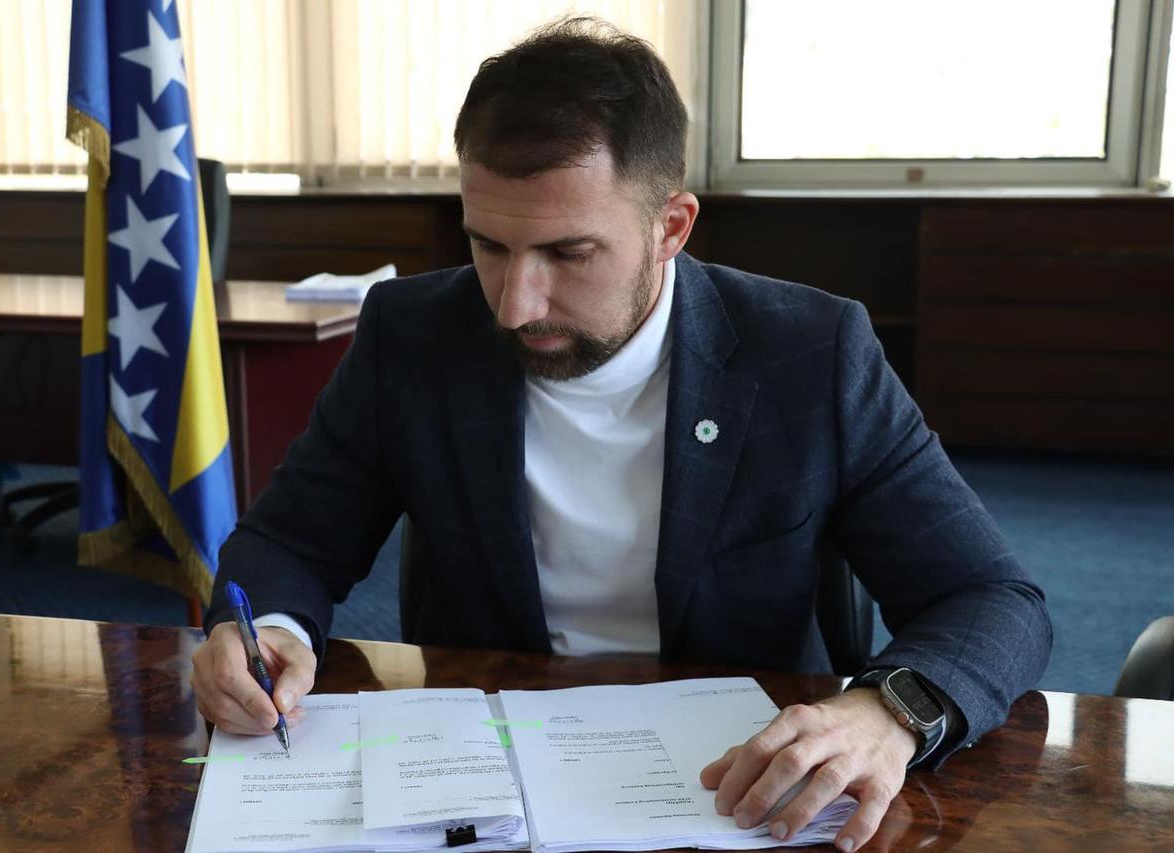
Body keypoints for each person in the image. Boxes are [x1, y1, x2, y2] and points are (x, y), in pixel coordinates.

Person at [191, 17, 1051, 852]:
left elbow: (993, 598)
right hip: (482, 785)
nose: (515, 304)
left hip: (739, 790)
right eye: (490, 246)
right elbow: (291, 541)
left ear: (670, 227)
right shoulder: (411, 334)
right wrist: (267, 630)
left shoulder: (812, 352)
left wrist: (889, 711)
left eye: (568, 254)